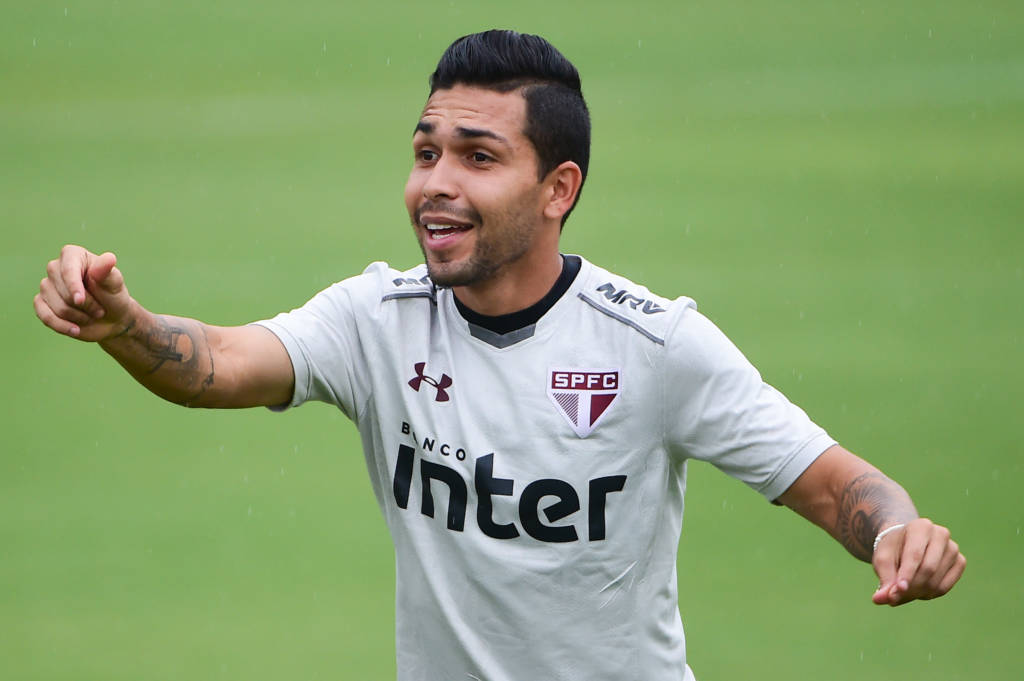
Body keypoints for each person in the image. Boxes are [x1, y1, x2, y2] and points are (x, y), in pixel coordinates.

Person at [34, 29, 964, 681]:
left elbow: (833, 483)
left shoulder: (654, 345)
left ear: (558, 188)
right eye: (425, 152)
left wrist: (896, 533)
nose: (435, 184)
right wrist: (126, 323)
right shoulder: (377, 319)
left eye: (477, 158)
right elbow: (218, 364)